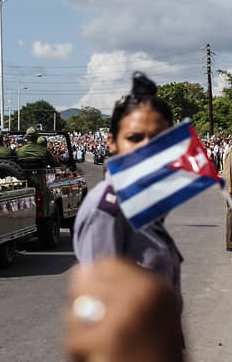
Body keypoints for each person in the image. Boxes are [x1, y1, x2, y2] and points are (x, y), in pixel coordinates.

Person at [72, 72, 184, 312]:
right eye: (134, 138)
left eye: (158, 138)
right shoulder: (106, 211)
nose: (147, 147)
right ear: (112, 142)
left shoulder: (144, 202)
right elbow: (98, 316)